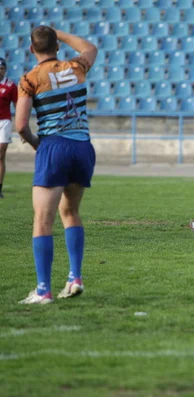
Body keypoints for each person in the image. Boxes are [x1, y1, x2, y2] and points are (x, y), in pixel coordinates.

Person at [16, 26, 98, 304]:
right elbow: (90, 47)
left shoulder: (30, 78)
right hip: (83, 147)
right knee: (71, 211)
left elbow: (21, 126)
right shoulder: (76, 67)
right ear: (58, 46)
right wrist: (60, 33)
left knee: (42, 220)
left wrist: (39, 145)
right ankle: (75, 277)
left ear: (31, 49)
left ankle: (43, 290)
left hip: (54, 146)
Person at [0, 57, 19, 198]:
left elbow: (18, 105)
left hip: (4, 122)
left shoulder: (11, 86)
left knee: (1, 155)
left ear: (5, 69)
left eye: (1, 68)